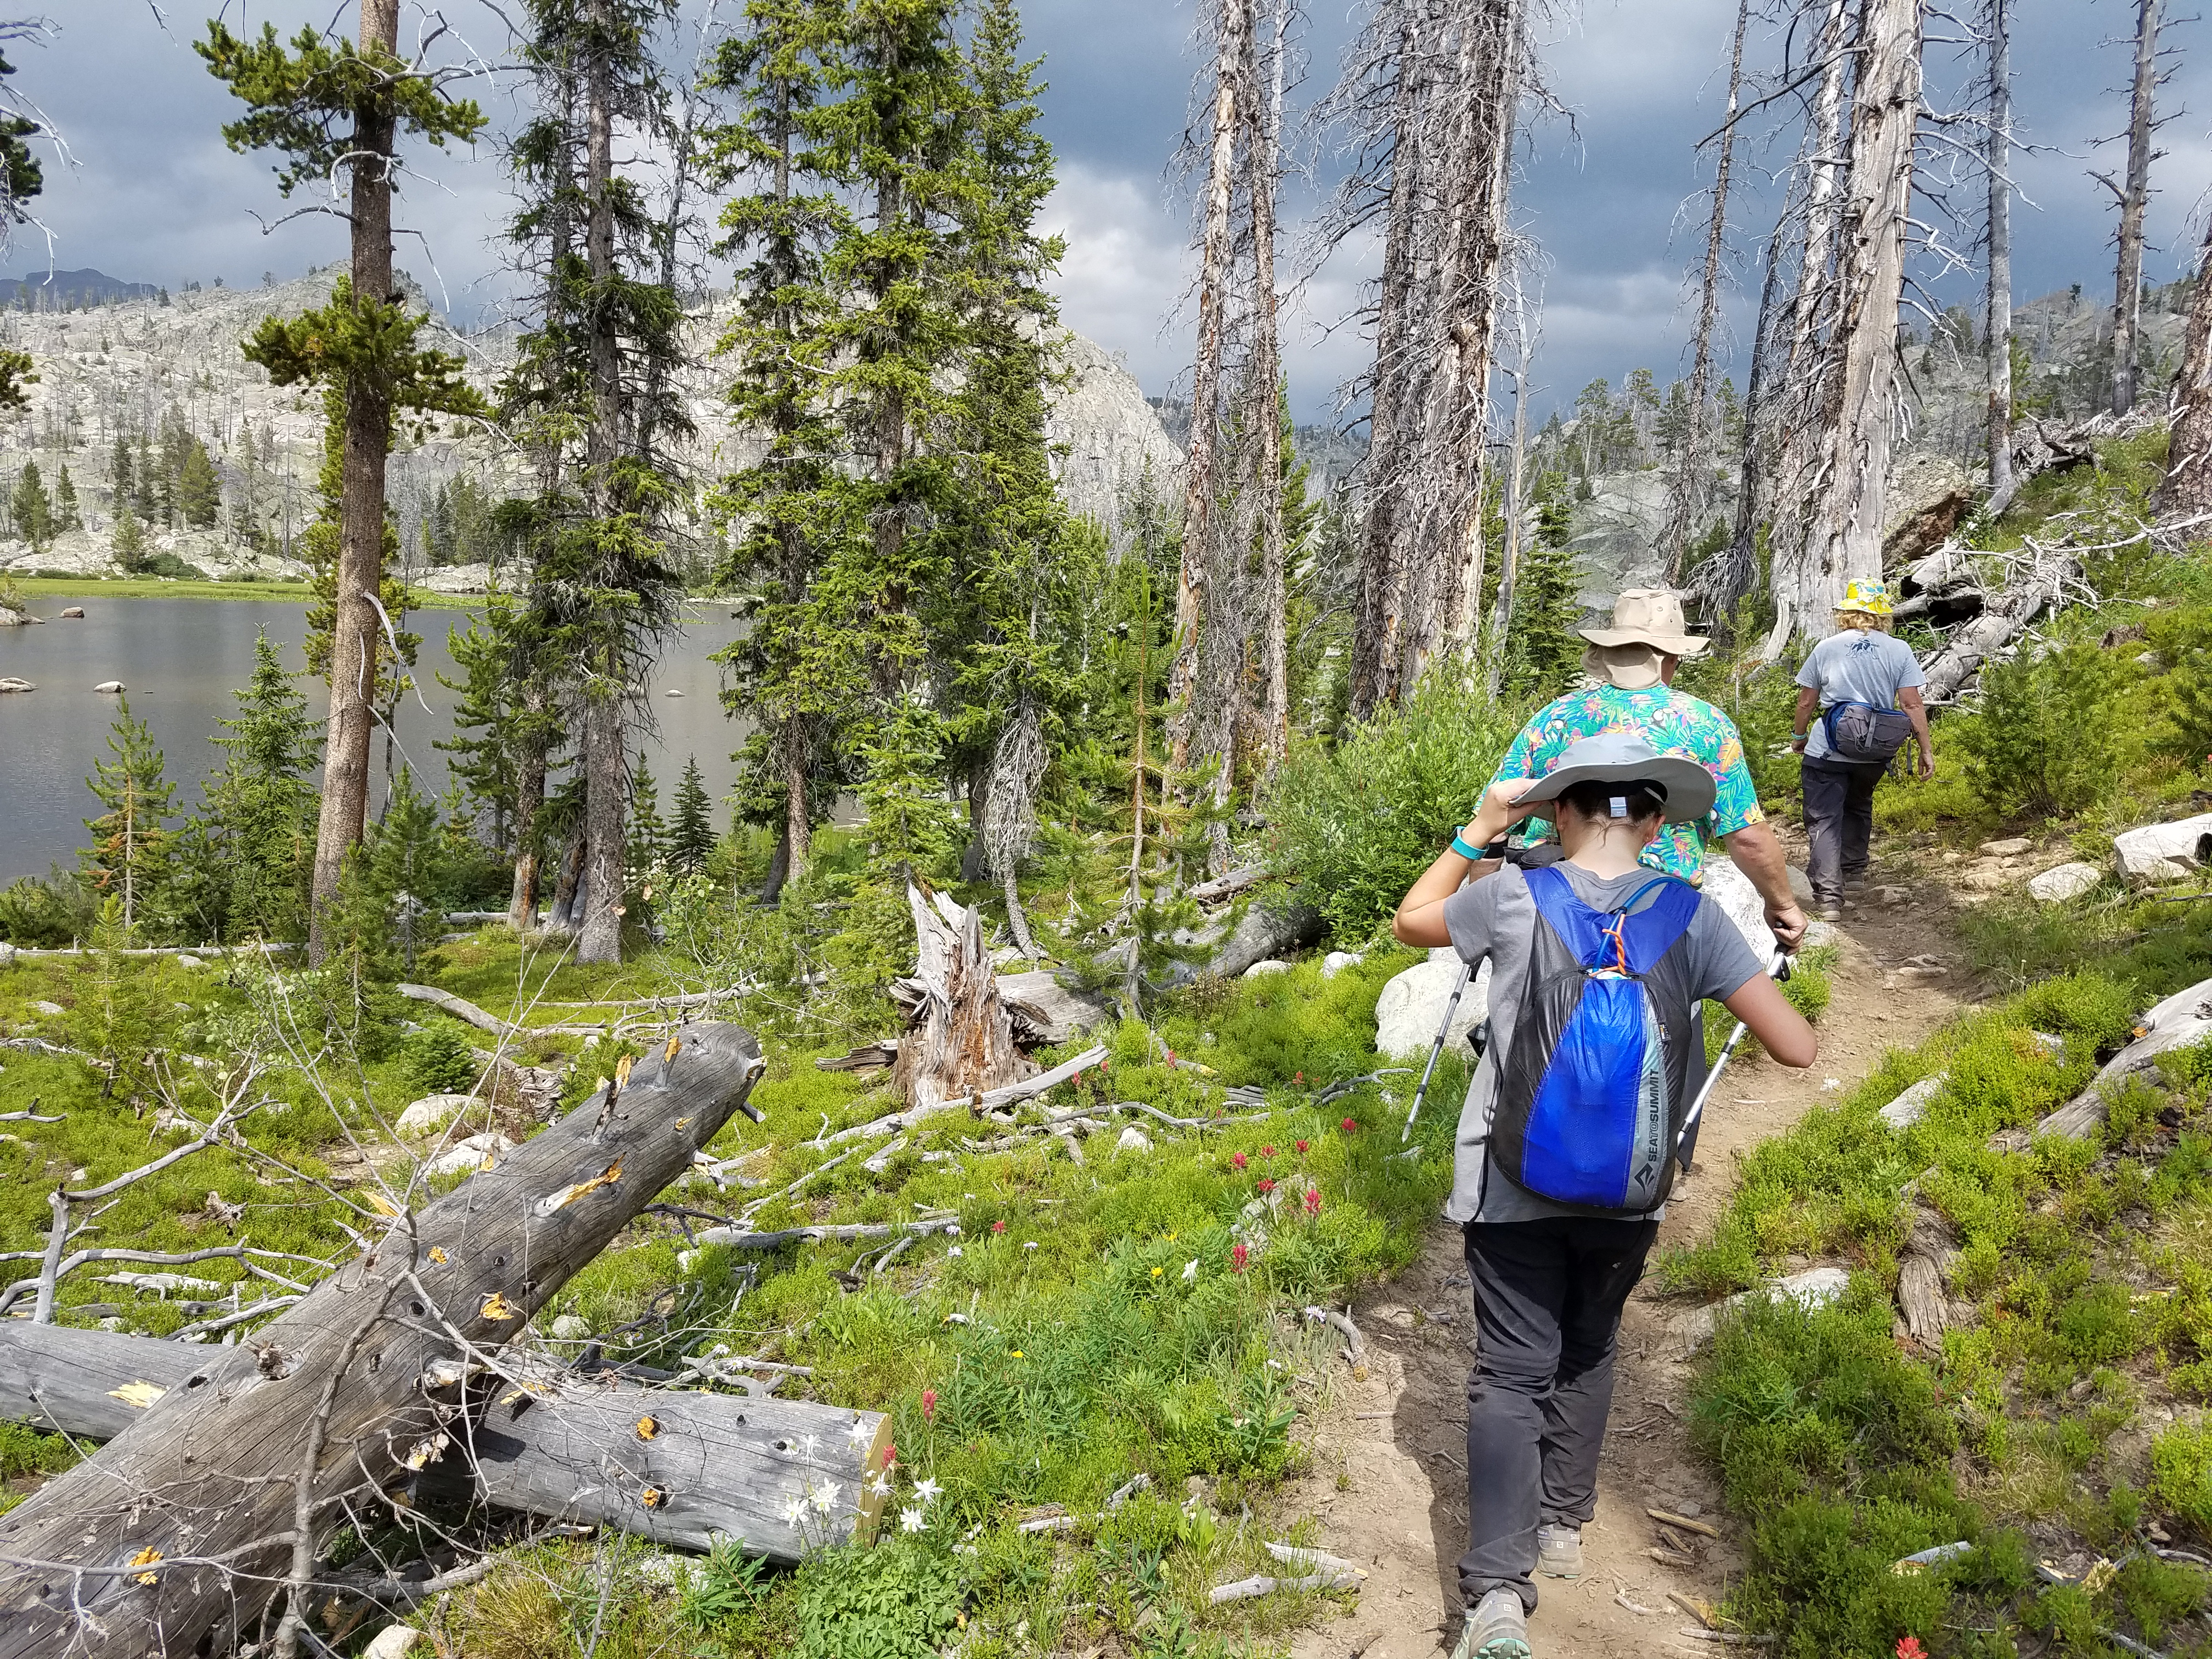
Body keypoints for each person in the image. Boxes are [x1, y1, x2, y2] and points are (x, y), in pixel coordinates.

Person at [1393, 733, 1817, 1659]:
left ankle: (1497, 1593)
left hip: (1511, 1183)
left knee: (1510, 1367)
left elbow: (1410, 919)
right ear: (1658, 820)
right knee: (1588, 1345)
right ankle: (1563, 1522)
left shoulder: (1511, 894)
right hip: (1630, 1193)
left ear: (1560, 811)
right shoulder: (1694, 916)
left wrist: (1479, 827)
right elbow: (1799, 1048)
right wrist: (1777, 943)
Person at [1488, 589, 1807, 952]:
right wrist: (1782, 905)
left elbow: (1497, 811)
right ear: (1672, 657)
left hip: (1553, 895)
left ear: (1610, 653)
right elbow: (1747, 838)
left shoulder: (1555, 717)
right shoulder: (1704, 725)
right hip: (1655, 907)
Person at [1790, 580, 1933, 922]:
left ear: (1847, 613)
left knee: (1824, 818)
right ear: (1882, 615)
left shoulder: (1826, 647)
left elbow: (1807, 700)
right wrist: (1926, 749)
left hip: (1829, 748)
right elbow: (1911, 703)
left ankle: (1828, 898)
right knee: (1858, 803)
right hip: (1873, 750)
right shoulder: (1899, 650)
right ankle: (1853, 874)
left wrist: (1799, 736)